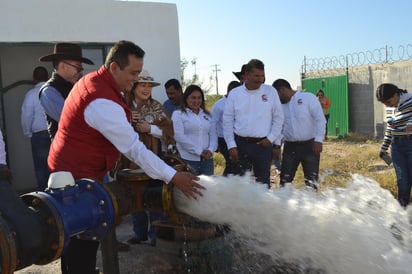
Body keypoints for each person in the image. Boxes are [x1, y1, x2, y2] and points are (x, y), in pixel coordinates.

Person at [47, 40, 204, 274]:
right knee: (81, 241)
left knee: (76, 240)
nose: (136, 79)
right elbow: (133, 149)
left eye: (139, 73)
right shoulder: (100, 99)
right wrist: (173, 177)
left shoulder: (98, 84)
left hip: (76, 171)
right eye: (133, 73)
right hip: (74, 177)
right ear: (113, 68)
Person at [119, 70, 173, 246]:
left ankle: (155, 234)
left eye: (149, 86)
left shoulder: (156, 107)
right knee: (135, 196)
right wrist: (126, 120)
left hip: (153, 158)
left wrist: (149, 129)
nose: (146, 89)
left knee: (154, 195)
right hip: (129, 160)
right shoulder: (122, 105)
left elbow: (170, 132)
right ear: (134, 87)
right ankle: (139, 233)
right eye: (143, 85)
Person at [223, 59, 283, 187]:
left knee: (263, 183)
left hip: (263, 146)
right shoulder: (235, 94)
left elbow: (278, 118)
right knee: (240, 183)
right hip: (240, 145)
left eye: (262, 76)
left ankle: (261, 207)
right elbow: (227, 120)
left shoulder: (270, 92)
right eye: (256, 76)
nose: (260, 79)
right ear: (247, 75)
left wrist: (271, 139)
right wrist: (231, 145)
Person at [272, 79, 326, 190]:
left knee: (311, 181)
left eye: (276, 95)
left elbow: (320, 119)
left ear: (283, 90)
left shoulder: (308, 98)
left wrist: (319, 140)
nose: (275, 98)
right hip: (290, 147)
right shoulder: (280, 106)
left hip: (310, 146)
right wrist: (277, 146)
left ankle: (311, 204)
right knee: (285, 180)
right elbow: (279, 127)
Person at [39, 42, 94, 139]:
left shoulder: (77, 86)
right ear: (63, 66)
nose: (80, 71)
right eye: (78, 67)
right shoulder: (49, 91)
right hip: (66, 151)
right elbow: (71, 121)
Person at [376, 83, 412, 207]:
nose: (387, 105)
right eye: (384, 103)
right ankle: (401, 214)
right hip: (396, 146)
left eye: (388, 101)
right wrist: (384, 148)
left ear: (396, 94)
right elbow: (390, 128)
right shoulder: (390, 108)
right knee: (402, 182)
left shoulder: (410, 99)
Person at [172, 84, 217, 175]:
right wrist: (199, 151)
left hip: (207, 161)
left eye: (199, 98)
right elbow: (179, 137)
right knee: (190, 188)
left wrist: (210, 150)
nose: (196, 101)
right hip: (188, 160)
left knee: (208, 188)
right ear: (186, 98)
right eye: (193, 98)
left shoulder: (207, 115)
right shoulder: (178, 114)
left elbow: (213, 135)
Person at [20, 66, 50, 190]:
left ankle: (46, 202)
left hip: (39, 136)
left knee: (41, 170)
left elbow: (26, 115)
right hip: (57, 134)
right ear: (48, 77)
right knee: (58, 167)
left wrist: (28, 133)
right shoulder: (52, 91)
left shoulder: (31, 94)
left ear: (34, 78)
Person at [211, 80, 241, 175]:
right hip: (223, 140)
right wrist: (215, 143)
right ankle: (225, 184)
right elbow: (213, 125)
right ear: (229, 91)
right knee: (231, 163)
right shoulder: (219, 105)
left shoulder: (240, 103)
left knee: (238, 164)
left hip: (238, 138)